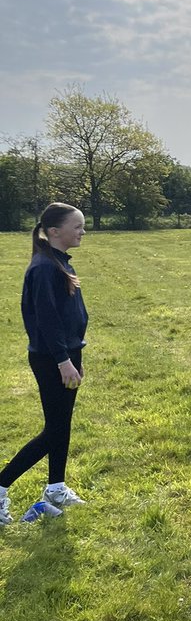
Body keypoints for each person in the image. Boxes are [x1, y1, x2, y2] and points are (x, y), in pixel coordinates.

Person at [0, 203, 89, 525]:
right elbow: (47, 322)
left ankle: (55, 487)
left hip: (66, 354)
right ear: (54, 231)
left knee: (60, 426)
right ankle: (0, 486)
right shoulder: (44, 268)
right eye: (77, 226)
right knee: (54, 430)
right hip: (53, 357)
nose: (82, 231)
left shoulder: (58, 263)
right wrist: (64, 361)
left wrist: (72, 355)